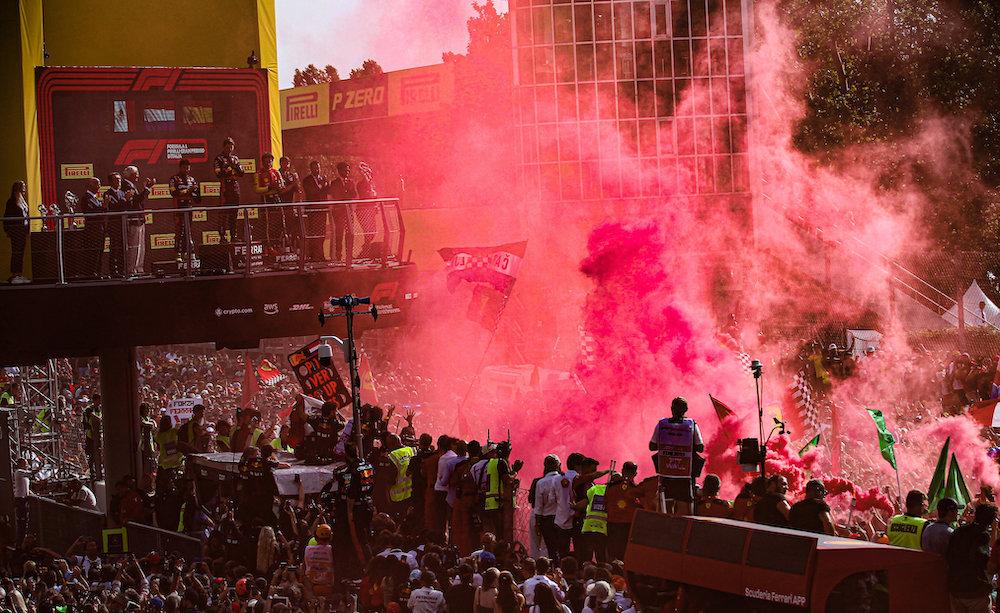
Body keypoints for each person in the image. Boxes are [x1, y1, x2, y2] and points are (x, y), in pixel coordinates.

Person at [649, 397, 704, 516]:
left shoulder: (662, 424)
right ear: (686, 409)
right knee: (686, 509)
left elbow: (652, 446)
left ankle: (666, 529)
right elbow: (700, 447)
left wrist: (668, 444)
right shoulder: (691, 424)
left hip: (666, 473)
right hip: (684, 474)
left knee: (666, 507)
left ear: (671, 409)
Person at [946, 502, 996, 613]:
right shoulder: (982, 535)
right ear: (991, 520)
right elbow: (984, 561)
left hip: (955, 588)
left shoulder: (958, 531)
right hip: (975, 591)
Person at [605, 462, 642, 561]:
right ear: (635, 474)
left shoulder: (611, 486)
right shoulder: (636, 489)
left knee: (612, 552)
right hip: (627, 525)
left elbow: (605, 502)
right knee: (625, 554)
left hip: (612, 523)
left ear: (622, 471)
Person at [120, 165, 153, 277]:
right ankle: (131, 269)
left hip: (139, 219)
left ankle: (138, 268)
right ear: (130, 175)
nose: (138, 175)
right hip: (133, 220)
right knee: (134, 246)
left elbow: (138, 201)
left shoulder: (131, 185)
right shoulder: (126, 185)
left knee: (140, 246)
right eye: (136, 173)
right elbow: (135, 201)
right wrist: (147, 189)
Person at [168, 158, 200, 268]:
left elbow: (198, 198)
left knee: (188, 231)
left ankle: (188, 253)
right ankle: (178, 254)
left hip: (189, 208)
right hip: (179, 208)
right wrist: (188, 191)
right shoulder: (174, 179)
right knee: (179, 231)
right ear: (180, 167)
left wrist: (194, 193)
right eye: (185, 167)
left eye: (188, 167)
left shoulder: (192, 180)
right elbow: (173, 192)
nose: (187, 169)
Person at [213, 137, 245, 243]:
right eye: (227, 145)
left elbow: (241, 173)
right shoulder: (219, 158)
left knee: (234, 213)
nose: (230, 147)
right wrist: (230, 171)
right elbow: (218, 173)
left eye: (231, 145)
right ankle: (222, 236)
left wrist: (231, 169)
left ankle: (233, 236)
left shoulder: (235, 158)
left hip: (235, 188)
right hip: (225, 188)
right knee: (223, 213)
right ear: (224, 146)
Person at [533, 455, 564, 563]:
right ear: (558, 465)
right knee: (563, 547)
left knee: (551, 549)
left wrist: (537, 524)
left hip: (547, 520)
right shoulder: (564, 480)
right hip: (563, 519)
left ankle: (554, 569)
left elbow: (538, 506)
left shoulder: (541, 483)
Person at [254, 152, 285, 254]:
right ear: (262, 162)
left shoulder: (276, 172)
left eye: (270, 161)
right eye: (266, 161)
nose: (268, 163)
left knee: (280, 221)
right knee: (267, 224)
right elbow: (257, 189)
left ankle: (278, 244)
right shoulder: (258, 173)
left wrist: (279, 188)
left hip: (276, 199)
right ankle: (268, 246)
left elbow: (282, 186)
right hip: (265, 200)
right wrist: (269, 188)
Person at [576, 471, 609, 564]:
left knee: (587, 557)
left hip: (588, 528)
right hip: (602, 530)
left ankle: (587, 574)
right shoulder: (615, 492)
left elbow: (584, 503)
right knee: (601, 557)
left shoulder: (595, 489)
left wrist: (574, 506)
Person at [302, 160, 331, 262]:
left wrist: (325, 185)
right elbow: (312, 192)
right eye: (315, 168)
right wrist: (322, 186)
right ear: (311, 169)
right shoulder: (307, 180)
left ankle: (321, 255)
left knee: (322, 233)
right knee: (314, 233)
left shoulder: (324, 178)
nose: (317, 170)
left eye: (318, 168)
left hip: (322, 210)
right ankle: (313, 256)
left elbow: (328, 191)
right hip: (313, 210)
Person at [329, 162, 357, 262]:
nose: (347, 172)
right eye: (345, 170)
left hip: (349, 213)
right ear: (339, 171)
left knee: (350, 234)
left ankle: (349, 255)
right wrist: (346, 195)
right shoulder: (334, 183)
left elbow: (354, 194)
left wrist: (346, 195)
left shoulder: (351, 182)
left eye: (348, 170)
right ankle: (338, 256)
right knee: (339, 235)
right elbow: (336, 196)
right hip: (339, 213)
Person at [102, 172, 128, 278]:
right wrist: (125, 199)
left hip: (123, 225)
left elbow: (125, 207)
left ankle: (122, 270)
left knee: (123, 248)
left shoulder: (122, 193)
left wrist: (125, 199)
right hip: (114, 225)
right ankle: (114, 271)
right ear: (110, 182)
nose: (119, 181)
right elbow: (113, 207)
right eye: (116, 179)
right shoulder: (107, 194)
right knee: (115, 248)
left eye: (120, 179)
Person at [4, 181, 30, 284]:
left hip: (23, 231)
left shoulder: (23, 200)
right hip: (16, 231)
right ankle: (14, 274)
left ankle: (19, 273)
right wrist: (8, 230)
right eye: (23, 187)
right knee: (16, 252)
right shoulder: (11, 201)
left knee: (21, 252)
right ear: (18, 188)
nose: (25, 188)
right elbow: (7, 216)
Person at [80, 177, 105, 278]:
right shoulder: (86, 198)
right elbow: (90, 213)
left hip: (100, 230)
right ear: (90, 185)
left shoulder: (95, 198)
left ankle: (97, 272)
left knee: (99, 253)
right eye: (97, 184)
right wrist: (103, 207)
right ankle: (91, 273)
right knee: (92, 253)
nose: (99, 186)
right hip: (92, 232)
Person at [276, 156, 302, 252]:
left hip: (291, 206)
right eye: (284, 163)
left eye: (288, 163)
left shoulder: (291, 175)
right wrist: (292, 184)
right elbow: (281, 191)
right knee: (282, 227)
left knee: (292, 227)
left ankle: (292, 247)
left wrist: (297, 184)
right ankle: (280, 249)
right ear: (280, 163)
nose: (286, 165)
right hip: (280, 205)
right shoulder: (278, 174)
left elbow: (298, 191)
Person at [303, 524, 335, 597]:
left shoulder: (308, 550)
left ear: (316, 538)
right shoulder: (332, 551)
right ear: (330, 537)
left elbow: (303, 569)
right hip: (329, 588)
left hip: (311, 588)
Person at [82, 394, 103, 480]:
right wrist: (100, 419)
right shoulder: (88, 409)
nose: (100, 402)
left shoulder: (99, 408)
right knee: (91, 453)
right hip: (90, 435)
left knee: (98, 452)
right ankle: (92, 470)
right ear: (94, 400)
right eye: (98, 400)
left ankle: (98, 468)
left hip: (98, 434)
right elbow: (94, 417)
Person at [13, 458, 31, 544]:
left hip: (25, 498)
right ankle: (19, 539)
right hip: (20, 498)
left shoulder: (24, 476)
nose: (27, 465)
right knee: (22, 520)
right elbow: (31, 473)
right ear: (20, 464)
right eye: (25, 464)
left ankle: (24, 538)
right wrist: (40, 468)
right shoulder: (19, 472)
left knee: (26, 519)